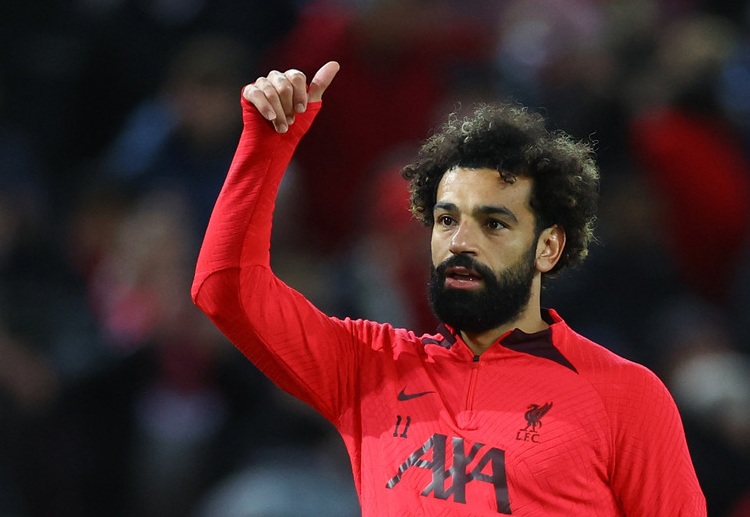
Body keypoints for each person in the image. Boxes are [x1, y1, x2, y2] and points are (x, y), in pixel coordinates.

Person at [192, 62, 706, 515]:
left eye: (494, 224)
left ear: (548, 247)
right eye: (446, 219)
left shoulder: (625, 397)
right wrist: (267, 145)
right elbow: (225, 288)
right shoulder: (370, 368)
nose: (460, 243)